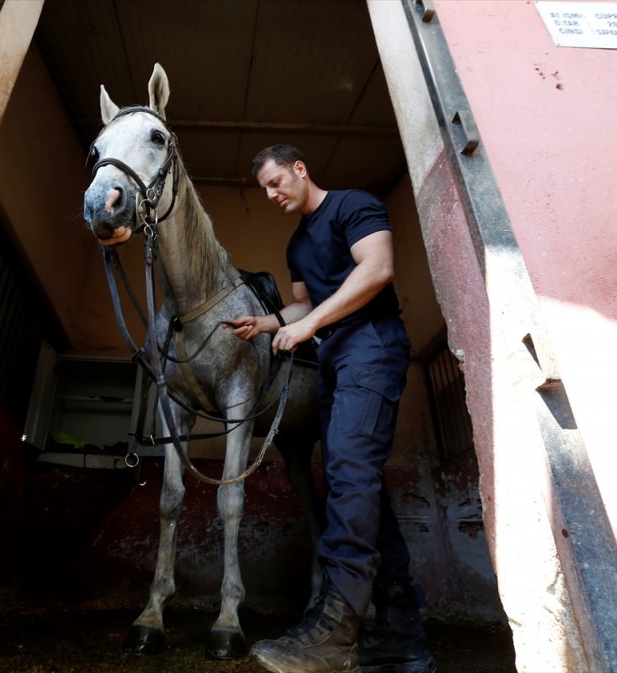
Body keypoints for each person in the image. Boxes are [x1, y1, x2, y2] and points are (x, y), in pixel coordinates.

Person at [229, 145, 435, 673]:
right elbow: (303, 302)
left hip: (372, 345)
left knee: (348, 472)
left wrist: (310, 326)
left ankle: (336, 633)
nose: (273, 194)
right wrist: (271, 323)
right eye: (265, 190)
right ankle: (400, 637)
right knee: (354, 481)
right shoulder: (299, 245)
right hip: (335, 362)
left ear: (301, 168)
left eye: (277, 181)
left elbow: (379, 268)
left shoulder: (352, 206)